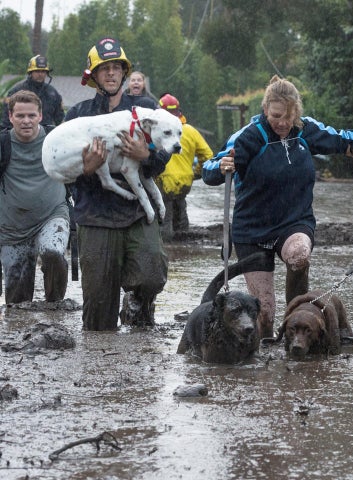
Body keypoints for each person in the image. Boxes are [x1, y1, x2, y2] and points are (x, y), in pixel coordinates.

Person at [201, 75, 353, 339]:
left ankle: (297, 317)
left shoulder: (305, 130)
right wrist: (220, 167)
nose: (283, 123)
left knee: (300, 255)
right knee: (264, 317)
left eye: (289, 117)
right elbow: (208, 169)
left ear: (297, 113)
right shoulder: (248, 137)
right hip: (252, 231)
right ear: (266, 110)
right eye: (277, 116)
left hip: (294, 222)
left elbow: (344, 138)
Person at [65, 37, 171, 331]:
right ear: (94, 76)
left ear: (124, 73)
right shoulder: (78, 115)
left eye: (116, 68)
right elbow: (63, 173)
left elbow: (163, 159)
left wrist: (145, 154)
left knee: (152, 274)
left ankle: (138, 303)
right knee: (98, 319)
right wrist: (85, 169)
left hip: (137, 211)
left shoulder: (146, 109)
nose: (111, 73)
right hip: (94, 214)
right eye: (104, 69)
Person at [0, 90, 69, 303]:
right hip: (12, 228)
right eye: (20, 116)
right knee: (18, 304)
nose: (26, 121)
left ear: (40, 115)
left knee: (53, 253)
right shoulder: (3, 144)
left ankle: (55, 306)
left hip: (52, 215)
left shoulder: (57, 138)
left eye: (31, 115)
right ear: (11, 117)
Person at [156, 93, 213, 241]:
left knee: (165, 217)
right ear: (178, 111)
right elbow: (207, 155)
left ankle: (169, 249)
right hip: (185, 180)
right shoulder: (190, 130)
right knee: (181, 210)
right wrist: (196, 173)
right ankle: (184, 245)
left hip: (164, 181)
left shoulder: (158, 131)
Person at [1, 55, 64, 130]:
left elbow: (60, 119)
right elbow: (7, 119)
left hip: (46, 136)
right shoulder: (16, 91)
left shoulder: (53, 93)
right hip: (22, 136)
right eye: (37, 71)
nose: (40, 74)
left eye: (43, 71)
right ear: (30, 72)